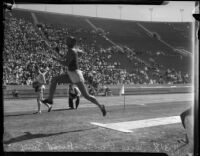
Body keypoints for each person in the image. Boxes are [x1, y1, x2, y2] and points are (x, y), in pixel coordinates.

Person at [42, 36, 106, 116]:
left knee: (87, 96)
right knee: (55, 79)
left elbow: (65, 63)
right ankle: (50, 99)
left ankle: (100, 106)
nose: (66, 41)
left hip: (75, 74)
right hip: (71, 73)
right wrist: (62, 54)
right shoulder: (72, 50)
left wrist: (56, 60)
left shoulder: (71, 51)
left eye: (67, 40)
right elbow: (69, 56)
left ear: (71, 42)